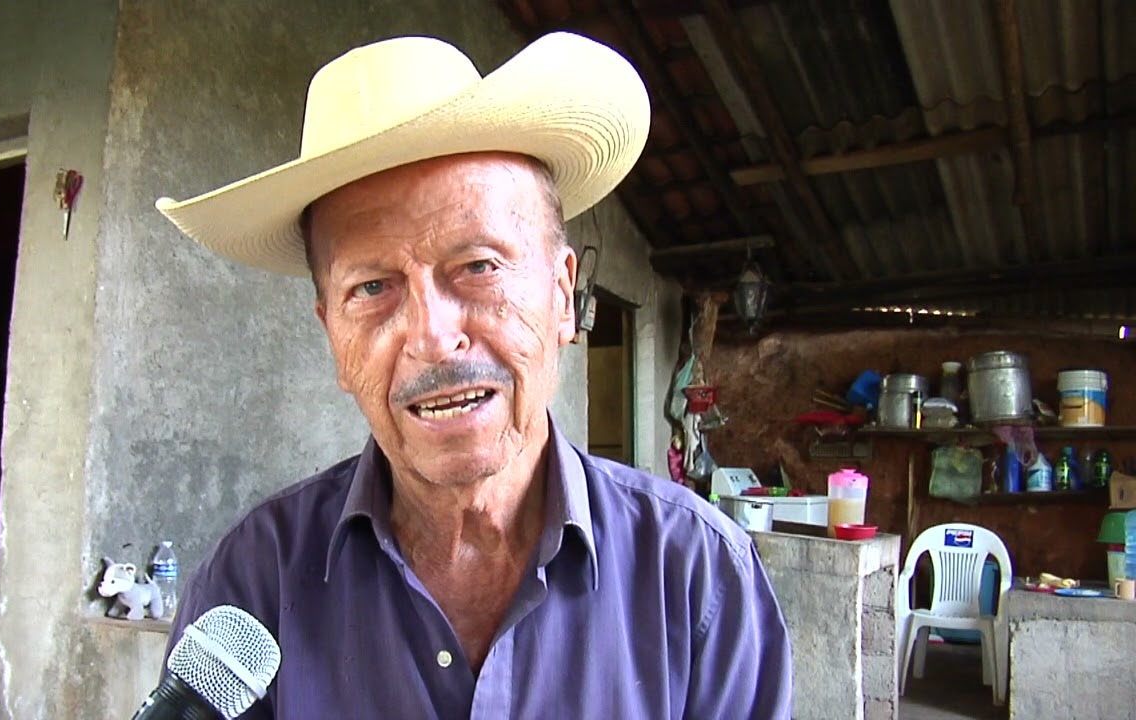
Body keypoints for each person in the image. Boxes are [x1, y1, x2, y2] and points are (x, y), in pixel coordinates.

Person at [157, 31, 792, 718]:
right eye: (372, 288)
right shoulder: (253, 583)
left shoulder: (697, 577)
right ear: (334, 338)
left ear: (560, 296)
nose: (433, 338)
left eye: (480, 266)